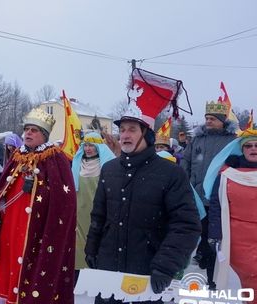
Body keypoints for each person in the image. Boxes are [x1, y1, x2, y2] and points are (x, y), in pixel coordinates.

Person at [85, 98, 201, 302]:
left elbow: (186, 226)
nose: (124, 135)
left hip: (149, 275)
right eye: (122, 130)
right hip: (108, 272)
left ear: (147, 135)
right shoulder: (109, 169)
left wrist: (165, 266)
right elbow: (99, 216)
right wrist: (92, 249)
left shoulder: (171, 174)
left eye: (132, 129)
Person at [0, 107, 77, 304]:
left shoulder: (55, 159)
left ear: (44, 135)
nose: (28, 133)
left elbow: (63, 202)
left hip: (38, 229)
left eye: (34, 130)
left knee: (33, 269)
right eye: (26, 129)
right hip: (11, 225)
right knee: (8, 261)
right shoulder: (17, 156)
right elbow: (3, 189)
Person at [181, 101, 236, 287]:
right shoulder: (197, 139)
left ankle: (213, 279)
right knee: (197, 232)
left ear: (222, 120)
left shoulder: (232, 141)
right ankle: (198, 259)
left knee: (215, 238)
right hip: (196, 196)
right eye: (206, 118)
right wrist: (184, 184)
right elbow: (186, 163)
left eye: (212, 118)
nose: (208, 121)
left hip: (219, 198)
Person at [203, 128, 257, 298]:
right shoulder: (227, 174)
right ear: (242, 149)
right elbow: (216, 205)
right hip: (236, 238)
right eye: (248, 145)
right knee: (243, 279)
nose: (253, 149)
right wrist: (214, 233)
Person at [70, 132, 115, 284]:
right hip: (79, 209)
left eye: (92, 145)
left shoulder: (107, 164)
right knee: (78, 242)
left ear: (99, 147)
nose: (88, 149)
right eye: (86, 145)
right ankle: (78, 273)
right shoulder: (77, 163)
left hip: (98, 209)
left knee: (97, 239)